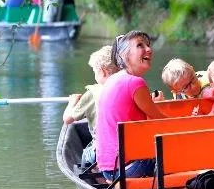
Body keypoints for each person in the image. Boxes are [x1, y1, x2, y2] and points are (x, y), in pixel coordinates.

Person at [96, 30, 167, 181]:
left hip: (108, 168)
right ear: (124, 55)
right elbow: (162, 121)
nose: (148, 49)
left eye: (148, 45)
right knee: (179, 146)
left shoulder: (114, 79)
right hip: (128, 167)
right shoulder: (135, 82)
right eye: (140, 45)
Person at [63, 45, 118, 168]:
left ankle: (95, 175)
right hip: (129, 151)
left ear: (102, 71)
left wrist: (72, 102)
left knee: (86, 154)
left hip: (103, 153)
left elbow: (67, 119)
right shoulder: (130, 88)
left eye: (94, 71)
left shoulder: (93, 94)